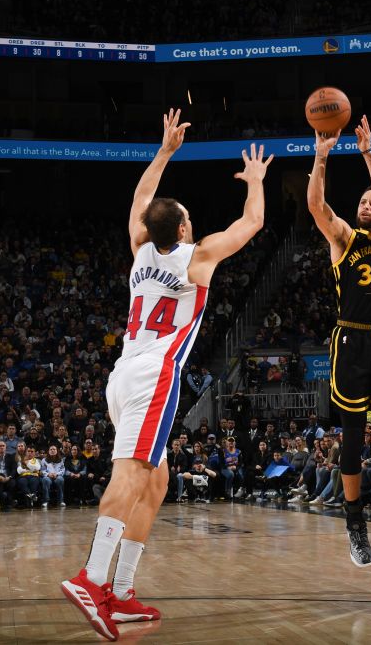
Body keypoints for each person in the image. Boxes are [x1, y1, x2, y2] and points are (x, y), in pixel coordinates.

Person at [61, 108, 273, 641]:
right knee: (132, 476)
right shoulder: (195, 258)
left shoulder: (138, 251)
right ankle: (91, 578)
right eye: (186, 218)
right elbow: (252, 225)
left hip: (123, 375)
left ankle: (122, 592)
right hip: (155, 373)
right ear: (181, 228)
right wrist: (255, 183)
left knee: (156, 481)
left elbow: (138, 202)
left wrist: (163, 152)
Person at [307, 114, 371, 567]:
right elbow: (316, 206)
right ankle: (354, 524)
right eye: (363, 201)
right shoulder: (344, 240)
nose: (368, 205)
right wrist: (321, 156)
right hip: (350, 343)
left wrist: (368, 153)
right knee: (352, 439)